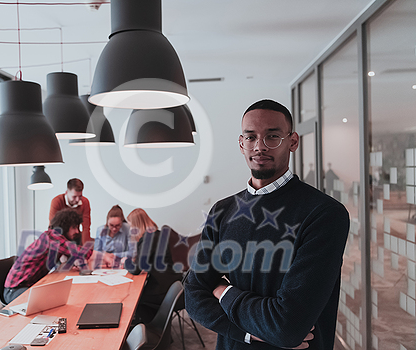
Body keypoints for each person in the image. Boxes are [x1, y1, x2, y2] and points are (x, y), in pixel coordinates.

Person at [184, 99, 350, 349]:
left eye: (272, 136)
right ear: (242, 144)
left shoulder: (324, 214)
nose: (259, 146)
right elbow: (194, 294)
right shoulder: (222, 211)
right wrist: (246, 334)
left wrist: (221, 291)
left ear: (292, 141)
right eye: (251, 137)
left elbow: (287, 327)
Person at [4, 208, 86, 304]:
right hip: (15, 290)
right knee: (50, 303)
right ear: (65, 226)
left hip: (30, 286)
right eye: (74, 227)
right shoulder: (53, 238)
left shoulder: (55, 238)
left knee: (58, 298)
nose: (77, 231)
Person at [125, 208, 182, 324]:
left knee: (136, 299)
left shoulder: (148, 239)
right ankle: (156, 330)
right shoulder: (158, 235)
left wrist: (126, 262)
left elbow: (136, 269)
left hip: (163, 289)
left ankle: (153, 332)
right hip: (173, 284)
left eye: (131, 226)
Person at [49, 178, 92, 245]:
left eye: (80, 196)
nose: (77, 200)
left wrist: (85, 249)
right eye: (74, 196)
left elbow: (86, 228)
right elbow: (52, 225)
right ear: (66, 193)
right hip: (60, 236)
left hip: (75, 237)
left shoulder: (85, 202)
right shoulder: (57, 201)